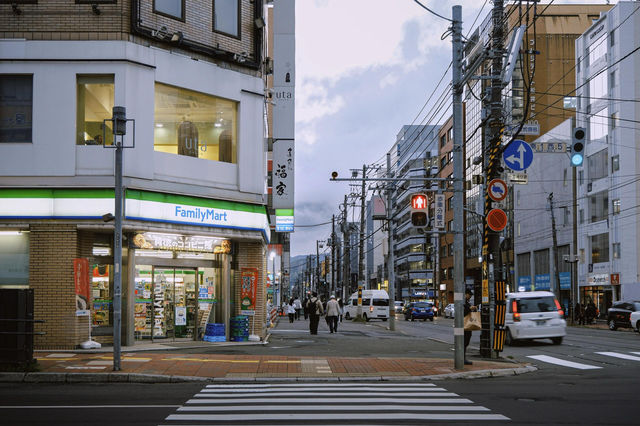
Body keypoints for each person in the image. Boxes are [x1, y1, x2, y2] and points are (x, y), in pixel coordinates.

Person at [464, 289, 477, 365]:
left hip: (467, 324)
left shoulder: (467, 302)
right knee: (464, 342)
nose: (470, 296)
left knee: (466, 341)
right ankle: (462, 358)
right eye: (469, 295)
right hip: (464, 325)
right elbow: (463, 312)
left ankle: (463, 358)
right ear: (466, 294)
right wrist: (469, 309)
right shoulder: (463, 302)